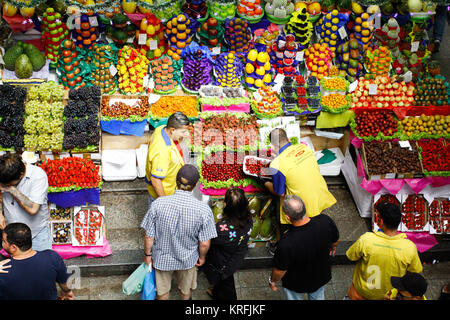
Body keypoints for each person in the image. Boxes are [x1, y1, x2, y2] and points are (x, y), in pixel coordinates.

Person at [140, 164, 217, 300]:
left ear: (176, 181)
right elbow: (204, 243)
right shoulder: (203, 210)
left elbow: (149, 236)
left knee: (162, 293)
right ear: (195, 185)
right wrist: (202, 257)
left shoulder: (158, 204)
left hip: (162, 258)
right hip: (188, 260)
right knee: (185, 291)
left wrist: (147, 255)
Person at [263, 128, 336, 235]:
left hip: (303, 206)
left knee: (280, 202)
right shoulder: (304, 147)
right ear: (288, 139)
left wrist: (266, 183)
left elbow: (280, 193)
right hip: (320, 195)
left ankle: (290, 232)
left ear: (273, 146)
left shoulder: (276, 164)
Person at [346, 201, 423, 300]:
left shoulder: (366, 240)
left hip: (360, 294)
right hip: (388, 295)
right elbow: (415, 271)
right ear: (399, 222)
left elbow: (351, 256)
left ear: (381, 221)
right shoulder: (409, 247)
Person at [268, 195, 339, 300]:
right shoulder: (325, 221)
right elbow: (336, 240)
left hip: (296, 284)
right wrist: (333, 248)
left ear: (287, 217)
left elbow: (280, 271)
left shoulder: (286, 242)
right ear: (304, 206)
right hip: (320, 277)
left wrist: (273, 281)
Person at [203, 187, 253, 300]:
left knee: (227, 287)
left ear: (226, 205)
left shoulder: (221, 229)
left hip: (223, 263)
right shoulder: (249, 220)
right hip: (237, 257)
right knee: (223, 282)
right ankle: (215, 291)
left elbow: (210, 242)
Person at [0, 223, 73, 300]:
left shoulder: (3, 271)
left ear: (13, 247)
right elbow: (65, 284)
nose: (2, 243)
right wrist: (67, 292)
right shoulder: (52, 257)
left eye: (4, 241)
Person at [0, 153, 50, 251]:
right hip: (10, 235)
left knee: (39, 265)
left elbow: (33, 208)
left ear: (21, 174)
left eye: (9, 184)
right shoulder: (3, 172)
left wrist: (12, 189)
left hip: (36, 236)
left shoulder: (38, 176)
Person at [145, 111, 190, 206]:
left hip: (171, 186)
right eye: (183, 131)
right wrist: (165, 203)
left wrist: (182, 136)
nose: (186, 133)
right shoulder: (162, 152)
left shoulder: (161, 129)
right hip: (164, 194)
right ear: (172, 130)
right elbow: (156, 180)